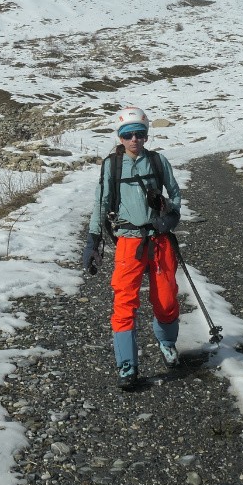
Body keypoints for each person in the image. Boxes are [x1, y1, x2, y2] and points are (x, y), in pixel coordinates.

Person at [79, 106, 182, 389]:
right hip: (128, 240)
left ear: (146, 135)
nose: (134, 139)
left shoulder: (158, 161)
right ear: (120, 137)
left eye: (139, 134)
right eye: (128, 135)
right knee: (124, 301)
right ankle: (127, 365)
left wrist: (170, 216)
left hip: (159, 239)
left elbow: (175, 194)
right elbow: (101, 202)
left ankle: (167, 343)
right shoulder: (111, 166)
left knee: (166, 299)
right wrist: (93, 240)